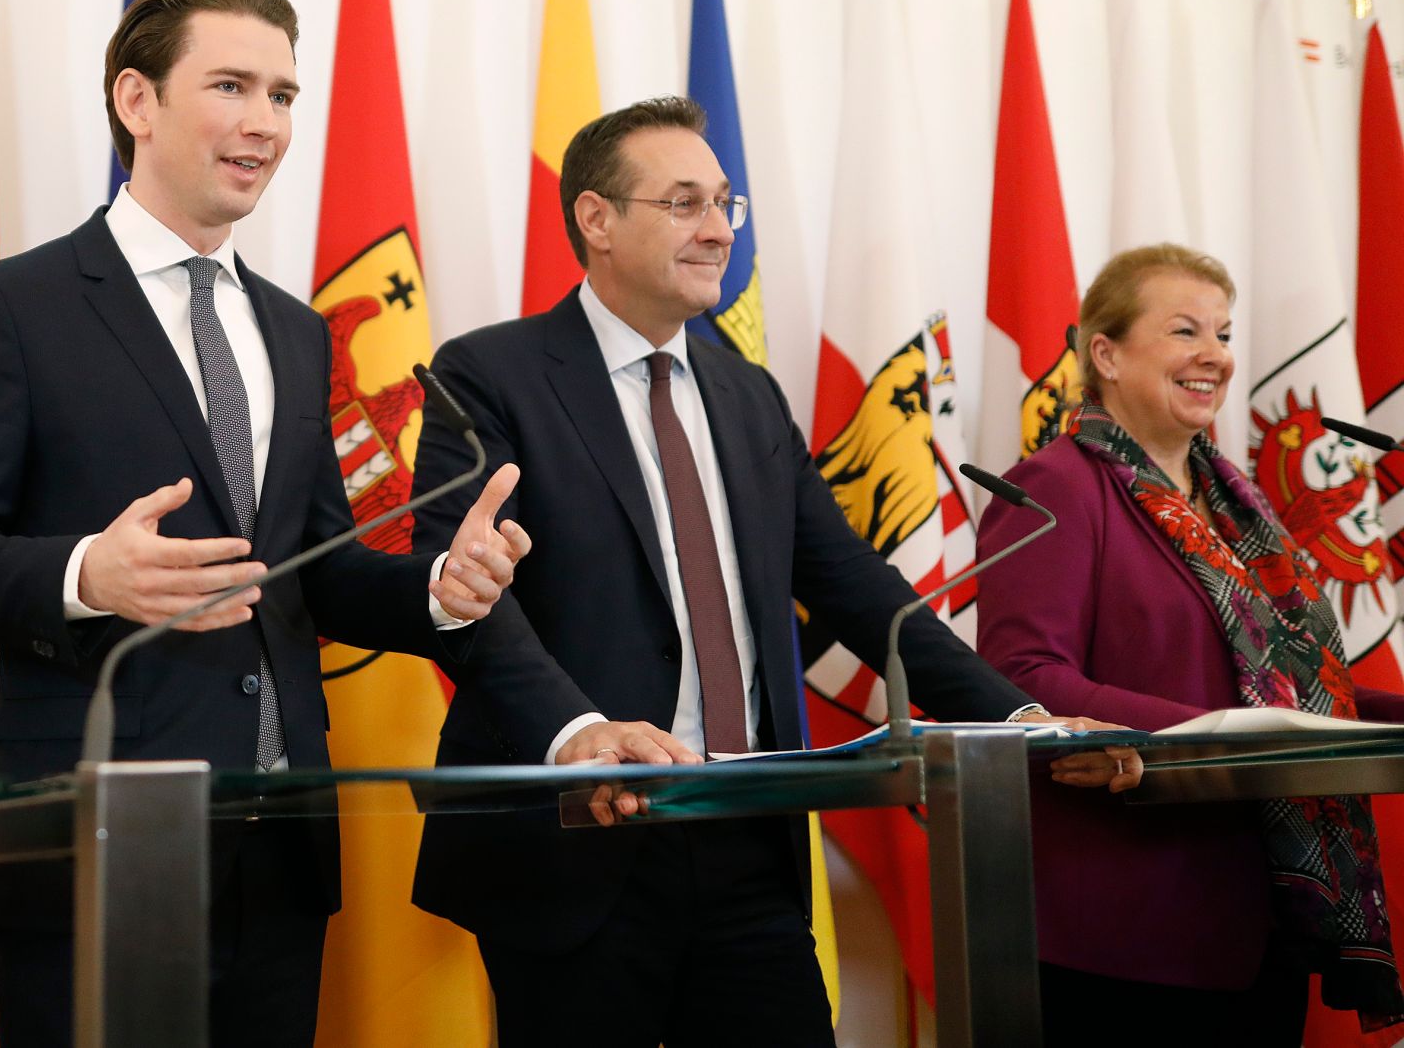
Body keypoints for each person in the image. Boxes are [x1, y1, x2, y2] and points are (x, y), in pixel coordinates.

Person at [0, 0, 530, 1048]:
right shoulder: (12, 306)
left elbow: (305, 576)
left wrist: (436, 592)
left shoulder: (293, 330)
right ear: (135, 101)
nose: (264, 123)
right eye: (230, 86)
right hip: (98, 847)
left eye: (282, 94)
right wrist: (87, 574)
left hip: (278, 849)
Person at [405, 96, 1135, 1046]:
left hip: (748, 837)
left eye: (725, 205)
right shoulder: (488, 374)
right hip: (578, 840)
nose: (716, 230)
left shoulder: (748, 397)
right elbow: (464, 598)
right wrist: (580, 731)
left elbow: (858, 591)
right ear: (595, 219)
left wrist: (1021, 720)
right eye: (682, 203)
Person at [976, 242, 1404, 1045]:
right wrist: (1206, 735)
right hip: (1127, 933)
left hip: (1260, 917)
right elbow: (1021, 676)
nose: (1215, 355)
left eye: (1224, 332)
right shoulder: (1057, 487)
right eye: (1184, 331)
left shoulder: (1236, 504)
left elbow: (1302, 692)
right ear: (1104, 352)